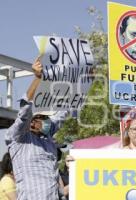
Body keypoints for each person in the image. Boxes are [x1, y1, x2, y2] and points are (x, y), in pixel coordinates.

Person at [5, 57, 69, 200]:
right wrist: (37, 78)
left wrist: (82, 81)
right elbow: (25, 111)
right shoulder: (18, 139)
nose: (48, 122)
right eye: (44, 118)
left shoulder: (48, 138)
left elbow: (63, 112)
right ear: (33, 120)